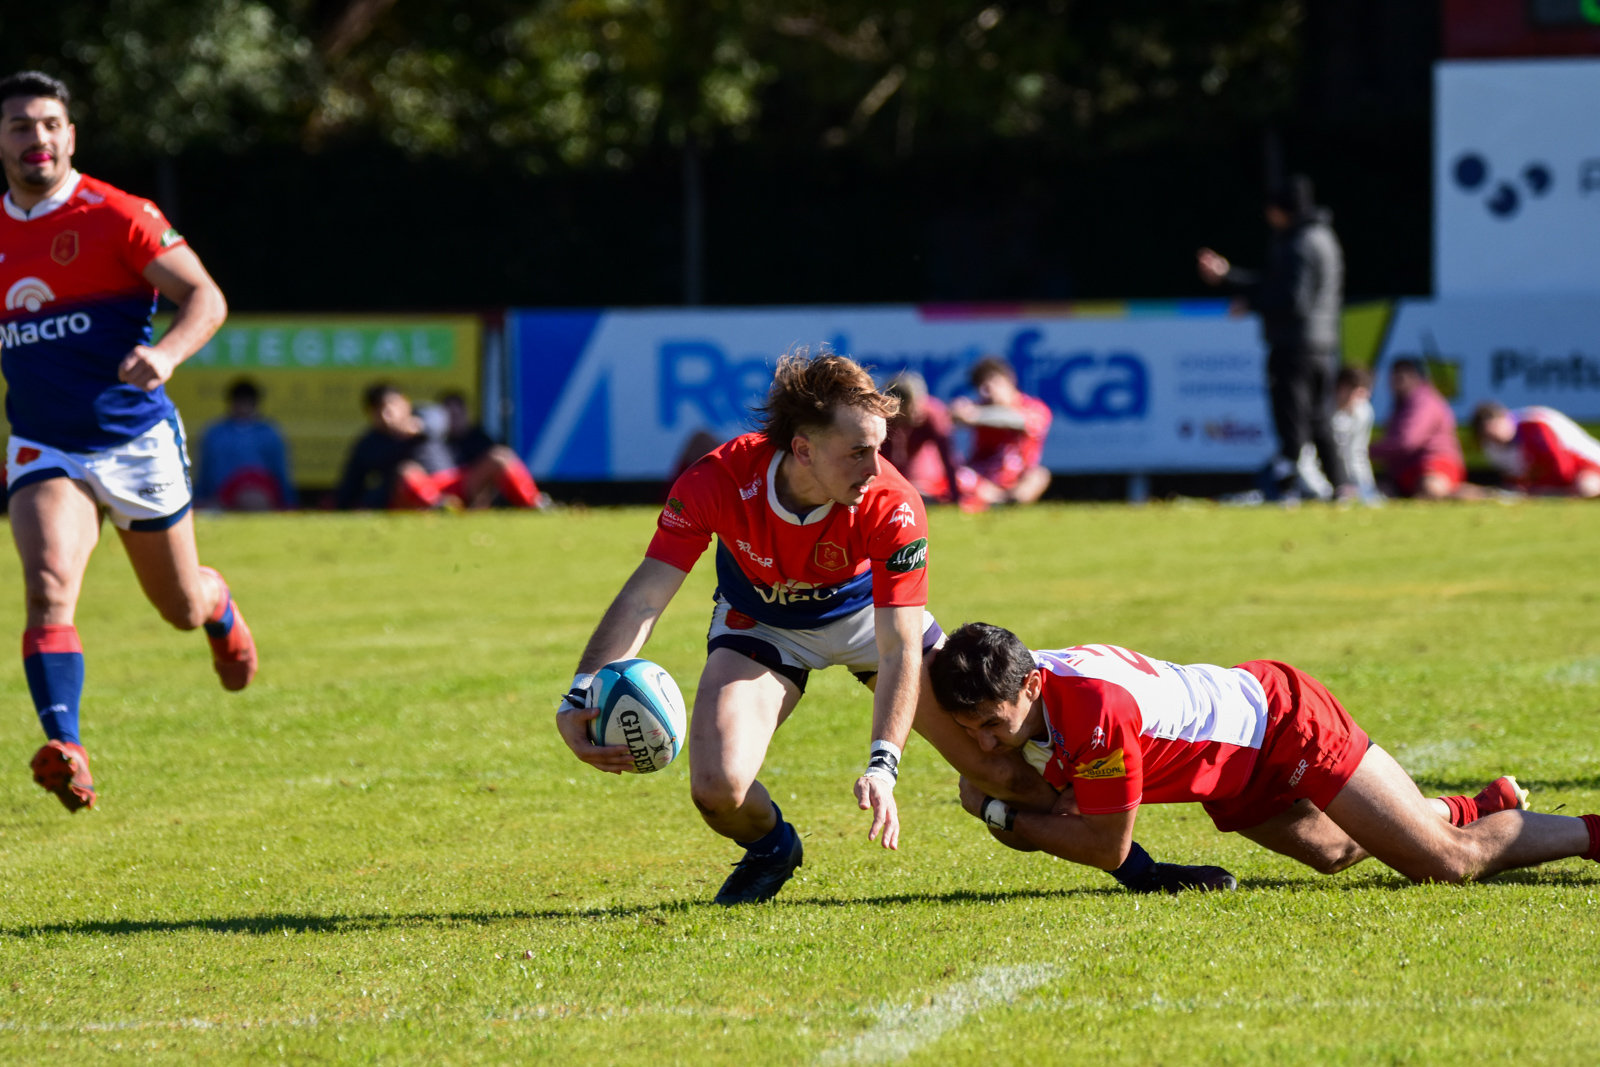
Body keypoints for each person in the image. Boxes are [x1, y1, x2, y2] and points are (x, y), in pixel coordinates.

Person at [554, 352, 1232, 904]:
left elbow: (901, 643)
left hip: (866, 618)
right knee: (718, 791)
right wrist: (582, 691)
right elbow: (647, 592)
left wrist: (884, 761)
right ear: (802, 449)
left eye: (879, 448)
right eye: (857, 452)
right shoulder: (717, 479)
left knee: (1001, 771)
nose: (876, 468)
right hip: (759, 623)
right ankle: (773, 848)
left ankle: (1141, 871)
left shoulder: (893, 504)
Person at [0, 72, 257, 812]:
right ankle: (67, 745)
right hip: (45, 445)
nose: (36, 138)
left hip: (133, 441)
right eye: (19, 125)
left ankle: (219, 609)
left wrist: (168, 354)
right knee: (48, 585)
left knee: (177, 605)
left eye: (49, 123)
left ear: (70, 136)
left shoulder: (118, 214)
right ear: (2, 141)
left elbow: (205, 296)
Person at [927, 622, 1600, 886]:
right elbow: (1059, 810)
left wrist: (994, 810)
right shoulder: (1022, 686)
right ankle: (1475, 805)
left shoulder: (1096, 710)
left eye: (992, 723)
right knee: (1334, 853)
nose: (984, 743)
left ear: (1033, 683)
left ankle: (1589, 834)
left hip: (1282, 723)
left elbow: (1105, 846)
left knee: (1447, 863)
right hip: (1229, 773)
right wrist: (1002, 797)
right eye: (971, 728)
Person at [1198, 174, 1352, 502]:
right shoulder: (1323, 237)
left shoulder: (1299, 243)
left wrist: (1250, 302)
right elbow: (1280, 286)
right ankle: (1343, 486)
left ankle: (1288, 489)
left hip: (1295, 343)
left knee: (1290, 420)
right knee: (1318, 417)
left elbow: (1291, 298)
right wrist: (1230, 278)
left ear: (1283, 210)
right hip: (1322, 341)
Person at [335, 384, 543, 510]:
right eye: (378, 410)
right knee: (407, 471)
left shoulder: (425, 414)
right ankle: (439, 509)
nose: (386, 415)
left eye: (391, 407)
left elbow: (439, 420)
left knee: (500, 456)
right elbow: (351, 487)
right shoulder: (368, 443)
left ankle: (534, 504)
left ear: (405, 404)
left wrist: (418, 427)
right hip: (414, 498)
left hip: (455, 482)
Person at [949, 356, 1053, 509]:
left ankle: (1006, 500)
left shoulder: (1034, 407)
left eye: (994, 384)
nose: (990, 393)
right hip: (982, 475)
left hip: (1017, 477)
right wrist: (958, 412)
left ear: (1009, 380)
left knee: (1039, 476)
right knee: (956, 474)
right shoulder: (978, 406)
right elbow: (949, 415)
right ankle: (995, 499)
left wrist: (977, 416)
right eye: (983, 388)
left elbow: (1020, 422)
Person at [1369, 359, 1465, 499]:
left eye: (1400, 377)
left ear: (1415, 377)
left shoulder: (1423, 401)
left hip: (1433, 464)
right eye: (1393, 378)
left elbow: (1406, 442)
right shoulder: (1402, 403)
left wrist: (1367, 451)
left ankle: (1486, 494)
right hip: (1405, 471)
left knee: (1430, 488)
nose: (1395, 383)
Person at [195, 378, 295, 510]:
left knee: (251, 497)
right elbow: (205, 472)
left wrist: (288, 504)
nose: (243, 407)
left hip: (260, 492)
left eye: (246, 402)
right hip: (223, 495)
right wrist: (199, 501)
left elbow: (280, 471)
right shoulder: (215, 433)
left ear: (255, 404)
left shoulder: (269, 433)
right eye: (239, 402)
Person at [437, 390, 545, 508]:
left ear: (465, 412)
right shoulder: (439, 440)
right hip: (449, 485)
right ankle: (533, 503)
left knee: (504, 457)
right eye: (451, 416)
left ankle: (532, 500)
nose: (455, 420)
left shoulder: (478, 436)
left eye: (457, 414)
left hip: (478, 487)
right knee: (497, 459)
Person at [1471, 402, 1600, 498]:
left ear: (1504, 418)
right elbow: (1513, 480)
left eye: (1496, 428)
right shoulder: (1491, 445)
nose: (1495, 438)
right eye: (1489, 436)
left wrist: (1533, 489)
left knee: (1585, 487)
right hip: (1553, 483)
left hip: (1588, 465)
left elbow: (1562, 470)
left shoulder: (1536, 426)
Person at [883, 371, 961, 504]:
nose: (915, 414)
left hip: (928, 481)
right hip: (897, 481)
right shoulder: (884, 419)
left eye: (917, 406)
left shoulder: (933, 414)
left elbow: (949, 457)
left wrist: (956, 495)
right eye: (910, 409)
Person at [1332, 365, 1379, 503]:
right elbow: (1307, 457)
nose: (1358, 400)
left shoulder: (1364, 412)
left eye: (1363, 394)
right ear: (1340, 388)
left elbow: (1357, 454)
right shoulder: (1320, 411)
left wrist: (1368, 490)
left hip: (1340, 478)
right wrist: (1324, 490)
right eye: (1355, 393)